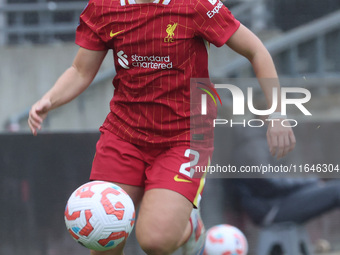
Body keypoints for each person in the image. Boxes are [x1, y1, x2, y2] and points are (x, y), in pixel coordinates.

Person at [27, 0, 295, 254]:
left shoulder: (195, 6)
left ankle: (190, 227)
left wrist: (277, 114)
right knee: (102, 240)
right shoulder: (104, 7)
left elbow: (256, 50)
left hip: (188, 134)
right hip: (124, 133)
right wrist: (49, 99)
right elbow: (80, 70)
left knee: (155, 242)